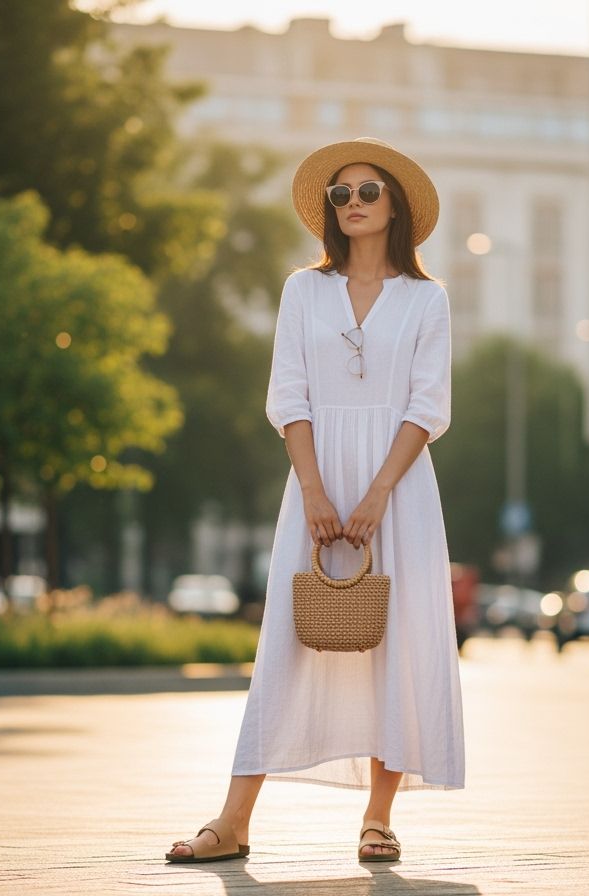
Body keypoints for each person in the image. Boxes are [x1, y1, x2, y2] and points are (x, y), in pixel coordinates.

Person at [165, 138, 465, 865]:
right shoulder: (303, 290)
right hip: (315, 481)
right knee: (284, 646)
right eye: (341, 194)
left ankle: (379, 817)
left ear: (395, 205)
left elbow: (428, 406)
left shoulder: (427, 298)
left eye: (368, 191)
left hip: (400, 489)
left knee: (398, 643)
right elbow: (288, 393)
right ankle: (233, 820)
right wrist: (313, 490)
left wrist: (377, 494)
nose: (353, 203)